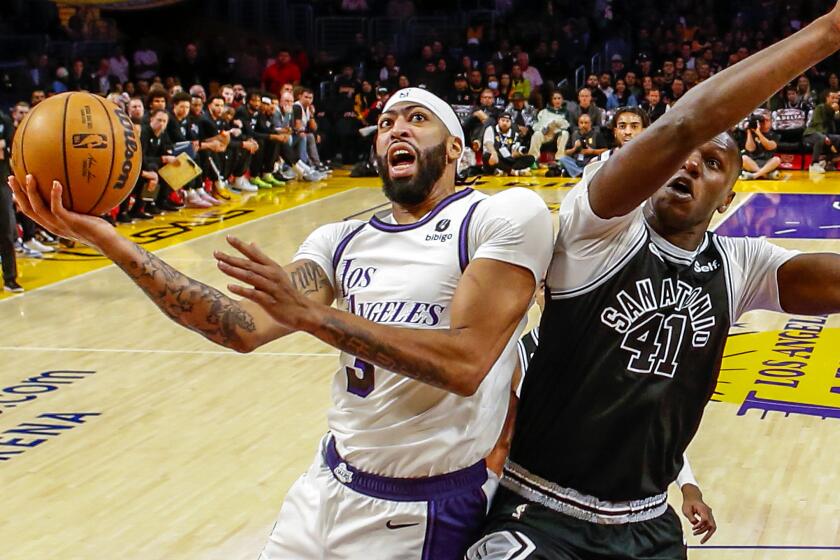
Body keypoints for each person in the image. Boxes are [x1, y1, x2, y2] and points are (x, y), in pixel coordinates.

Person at [10, 87, 552, 559]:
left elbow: (466, 363)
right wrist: (109, 241)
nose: (395, 130)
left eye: (416, 118)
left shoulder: (501, 216)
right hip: (325, 486)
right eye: (386, 123)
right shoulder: (341, 240)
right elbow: (239, 326)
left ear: (456, 147)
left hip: (424, 506)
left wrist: (316, 316)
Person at [467, 6, 840, 559]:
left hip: (647, 526)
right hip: (541, 510)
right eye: (681, 156)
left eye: (712, 163)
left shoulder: (740, 266)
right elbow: (683, 126)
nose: (689, 164)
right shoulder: (599, 225)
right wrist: (827, 33)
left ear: (729, 198)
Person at [0, 109, 21, 292]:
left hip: (1, 181)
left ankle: (10, 278)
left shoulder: (4, 120)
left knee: (6, 232)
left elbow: (6, 152)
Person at [528, 91, 572, 162]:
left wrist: (557, 123)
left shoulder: (566, 112)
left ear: (562, 99)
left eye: (559, 98)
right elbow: (536, 125)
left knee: (564, 133)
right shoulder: (543, 112)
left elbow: (567, 125)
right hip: (545, 133)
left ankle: (559, 158)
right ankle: (532, 158)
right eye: (554, 98)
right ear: (551, 100)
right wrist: (543, 129)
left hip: (557, 134)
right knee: (536, 134)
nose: (557, 100)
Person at [803, 89, 840, 173]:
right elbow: (818, 126)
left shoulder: (834, 110)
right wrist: (826, 138)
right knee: (821, 137)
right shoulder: (820, 107)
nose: (835, 100)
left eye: (836, 98)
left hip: (825, 134)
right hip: (811, 134)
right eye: (832, 98)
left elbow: (838, 120)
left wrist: (837, 111)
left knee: (838, 139)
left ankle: (826, 161)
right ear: (826, 98)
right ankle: (814, 164)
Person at [741, 113, 782, 180]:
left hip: (767, 163)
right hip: (753, 163)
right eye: (762, 121)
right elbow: (750, 149)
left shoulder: (775, 134)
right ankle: (764, 175)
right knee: (743, 158)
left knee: (777, 160)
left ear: (771, 122)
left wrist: (759, 133)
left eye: (767, 120)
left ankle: (754, 175)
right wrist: (749, 131)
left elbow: (770, 146)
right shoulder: (752, 133)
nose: (764, 123)